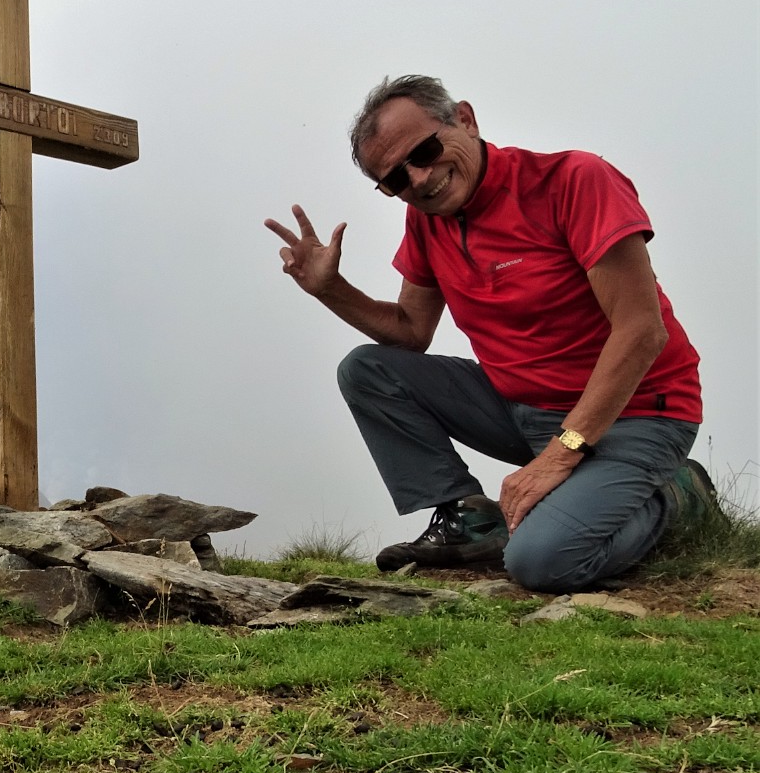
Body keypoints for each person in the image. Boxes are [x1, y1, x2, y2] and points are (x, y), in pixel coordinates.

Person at [265, 74, 713, 593]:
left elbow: (641, 331)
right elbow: (410, 333)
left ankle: (678, 498)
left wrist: (559, 455)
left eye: (426, 150)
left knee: (538, 563)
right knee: (367, 369)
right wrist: (330, 289)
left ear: (466, 119)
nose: (420, 179)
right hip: (521, 410)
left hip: (637, 417)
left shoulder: (574, 180)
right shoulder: (426, 220)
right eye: (395, 180)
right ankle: (470, 521)